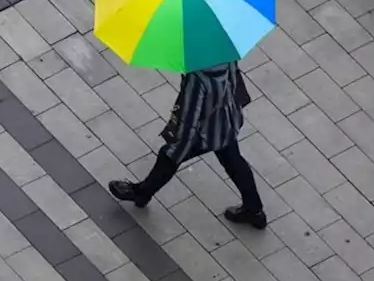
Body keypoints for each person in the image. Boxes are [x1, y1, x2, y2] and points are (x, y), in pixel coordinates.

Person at [108, 61, 266, 229]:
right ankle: (255, 210)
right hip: (226, 122)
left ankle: (142, 193)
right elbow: (235, 83)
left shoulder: (198, 79)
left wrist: (177, 149)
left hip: (207, 132)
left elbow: (189, 118)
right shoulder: (225, 56)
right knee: (234, 162)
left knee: (168, 157)